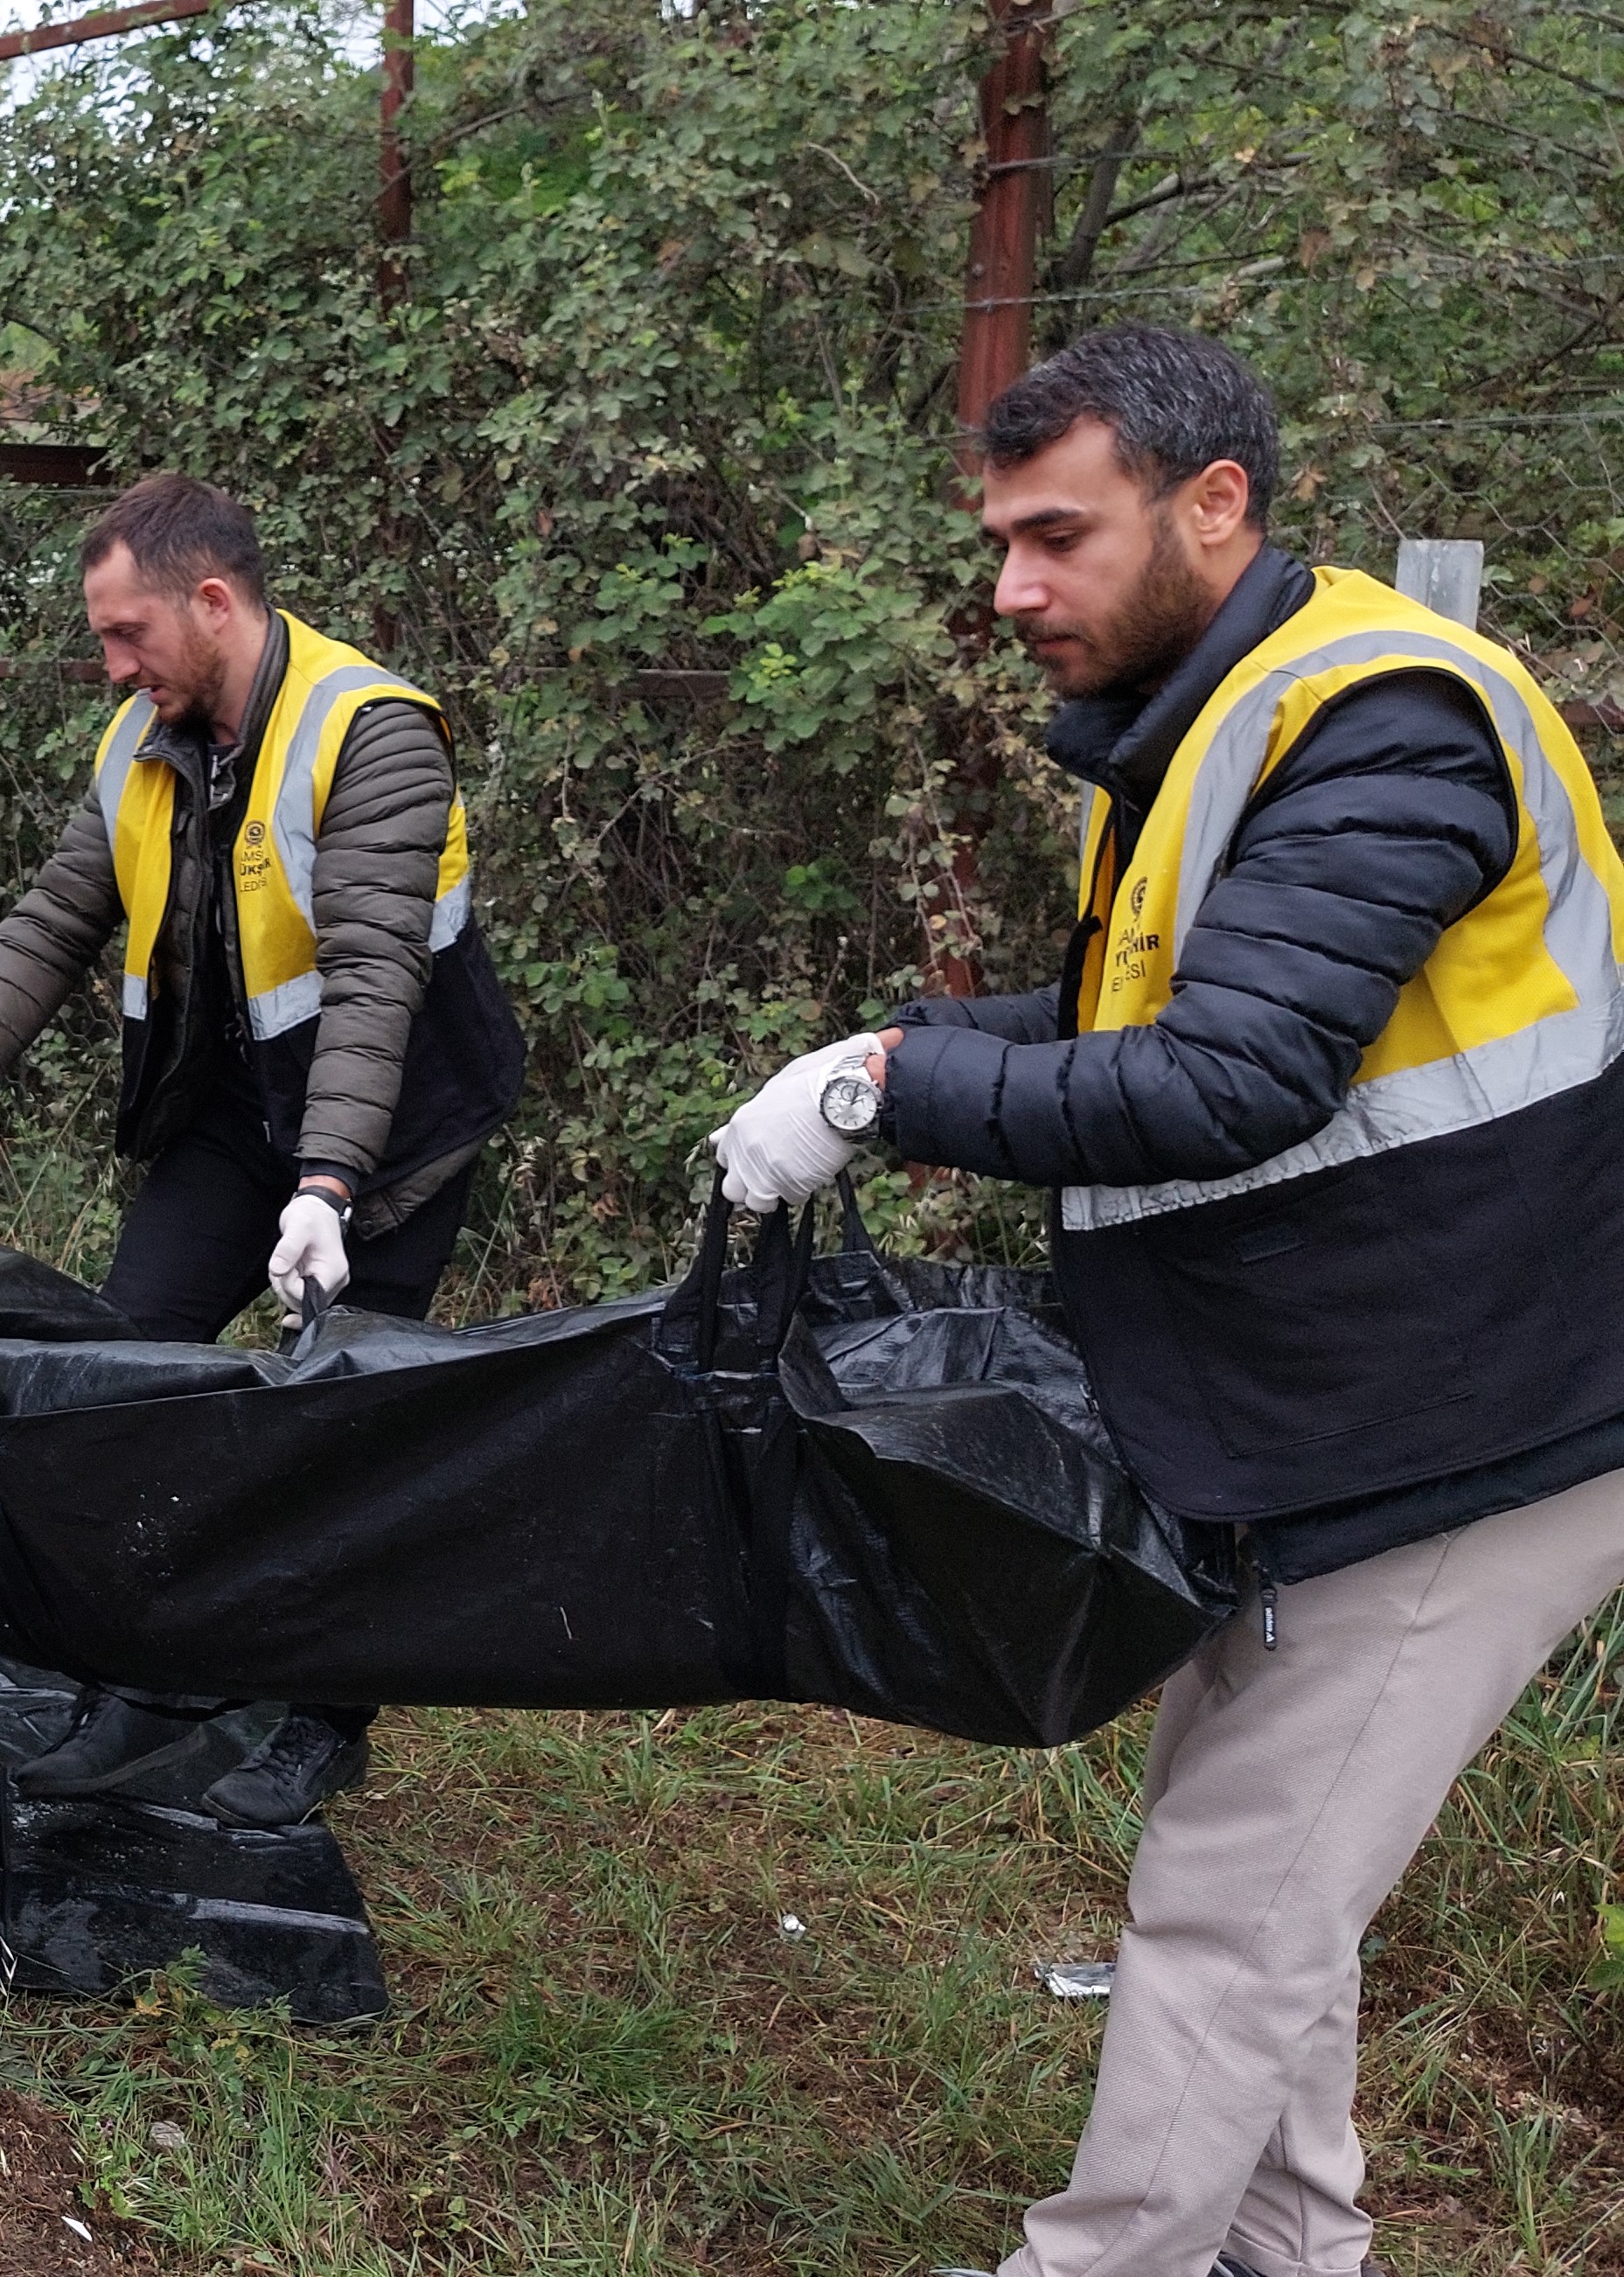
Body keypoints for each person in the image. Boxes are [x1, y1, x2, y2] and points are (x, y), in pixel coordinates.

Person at [711, 325, 1624, 2277]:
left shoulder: (1380, 718)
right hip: (1349, 1400)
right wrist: (904, 1047)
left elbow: (1228, 1084)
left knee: (1228, 1896)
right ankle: (1288, 2259)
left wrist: (886, 1093)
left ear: (1213, 506)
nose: (1008, 590)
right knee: (1260, 1876)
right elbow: (1155, 1024)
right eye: (999, 543)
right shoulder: (1221, 718)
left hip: (1475, 1429)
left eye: (1054, 537)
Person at [0, 472, 526, 1827]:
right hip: (232, 1117)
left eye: (129, 635)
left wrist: (333, 1186)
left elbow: (367, 977)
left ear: (214, 603)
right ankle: (153, 1667)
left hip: (391, 1140)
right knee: (128, 1370)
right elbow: (64, 907)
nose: (112, 664)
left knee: (347, 1421)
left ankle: (323, 1715)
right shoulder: (143, 734)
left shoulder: (373, 734)